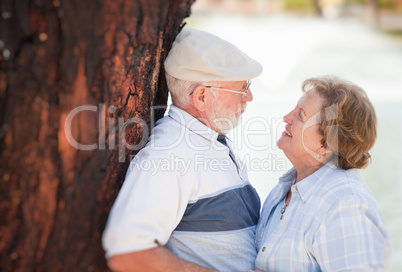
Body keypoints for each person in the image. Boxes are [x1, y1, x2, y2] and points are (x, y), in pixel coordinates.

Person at [102, 28, 263, 272]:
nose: (249, 97)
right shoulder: (169, 155)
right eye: (241, 88)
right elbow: (127, 252)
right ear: (201, 97)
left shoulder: (210, 139)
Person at [255, 76, 391, 271]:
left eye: (300, 115)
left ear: (327, 143)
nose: (286, 118)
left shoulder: (345, 203)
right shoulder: (286, 188)